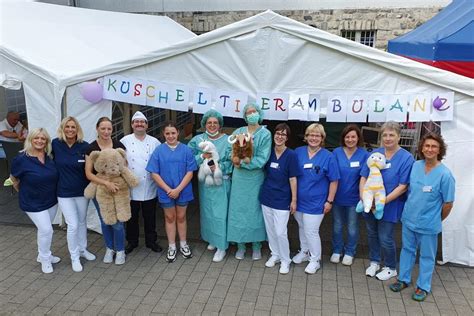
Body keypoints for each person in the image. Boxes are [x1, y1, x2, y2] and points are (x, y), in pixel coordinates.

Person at [389, 134, 455, 301]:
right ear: (421, 148)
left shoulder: (445, 175)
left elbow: (448, 203)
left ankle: (423, 286)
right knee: (407, 250)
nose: (429, 149)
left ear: (440, 150)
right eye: (427, 146)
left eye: (434, 146)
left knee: (427, 256)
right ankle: (403, 279)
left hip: (429, 224)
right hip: (409, 219)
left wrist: (436, 219)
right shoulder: (416, 166)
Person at [360, 121, 415, 281]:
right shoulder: (375, 153)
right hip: (369, 204)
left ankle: (391, 267)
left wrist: (381, 202)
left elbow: (403, 186)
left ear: (399, 136)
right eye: (385, 135)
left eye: (392, 135)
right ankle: (374, 261)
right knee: (371, 234)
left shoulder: (406, 158)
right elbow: (363, 177)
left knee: (385, 237)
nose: (388, 138)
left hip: (390, 205)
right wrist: (365, 199)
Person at [10, 128, 59, 273]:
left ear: (46, 142)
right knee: (46, 230)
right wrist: (23, 191)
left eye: (43, 139)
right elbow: (14, 179)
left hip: (51, 200)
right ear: (30, 139)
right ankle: (45, 259)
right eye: (36, 138)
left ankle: (42, 254)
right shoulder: (21, 159)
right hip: (32, 203)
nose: (39, 141)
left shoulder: (49, 156)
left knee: (44, 230)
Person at [146, 122, 197, 263]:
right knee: (169, 218)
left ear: (178, 133)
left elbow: (190, 172)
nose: (170, 136)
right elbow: (154, 173)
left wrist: (178, 189)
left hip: (183, 190)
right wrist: (169, 190)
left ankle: (183, 244)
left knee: (181, 217)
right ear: (164, 134)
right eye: (167, 133)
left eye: (173, 133)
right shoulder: (159, 151)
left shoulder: (186, 150)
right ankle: (172, 246)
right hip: (165, 191)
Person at [293, 123, 339, 274]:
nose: (314, 138)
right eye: (311, 135)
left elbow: (334, 180)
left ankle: (315, 259)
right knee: (302, 227)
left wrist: (329, 201)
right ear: (306, 137)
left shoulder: (328, 157)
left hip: (316, 202)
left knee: (311, 230)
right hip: (299, 200)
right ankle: (305, 251)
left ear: (322, 138)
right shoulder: (298, 152)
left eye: (317, 135)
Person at [227, 103, 271, 260]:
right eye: (248, 112)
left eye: (254, 111)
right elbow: (229, 151)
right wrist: (234, 159)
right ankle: (240, 244)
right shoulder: (238, 132)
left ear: (259, 113)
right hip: (239, 180)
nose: (252, 114)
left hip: (255, 178)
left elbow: (262, 158)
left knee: (254, 211)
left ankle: (256, 245)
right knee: (238, 210)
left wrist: (244, 163)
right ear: (244, 116)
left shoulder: (265, 134)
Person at [188, 109, 232, 263]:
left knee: (220, 214)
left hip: (221, 182)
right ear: (204, 124)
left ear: (220, 125)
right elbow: (188, 158)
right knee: (208, 213)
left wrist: (220, 168)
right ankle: (212, 239)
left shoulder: (228, 140)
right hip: (205, 184)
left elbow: (232, 161)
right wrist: (201, 156)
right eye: (209, 122)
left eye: (215, 123)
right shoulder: (198, 139)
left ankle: (222, 246)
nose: (212, 125)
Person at [53, 117, 95, 272]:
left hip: (81, 192)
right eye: (67, 127)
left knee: (82, 221)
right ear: (63, 128)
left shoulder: (85, 146)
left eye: (73, 127)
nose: (70, 130)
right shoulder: (55, 144)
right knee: (73, 225)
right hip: (63, 192)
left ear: (78, 129)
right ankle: (74, 257)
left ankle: (83, 250)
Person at [85, 117, 127, 265]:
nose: (106, 131)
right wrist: (105, 183)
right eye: (103, 128)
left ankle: (120, 250)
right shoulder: (91, 148)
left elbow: (124, 167)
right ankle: (110, 248)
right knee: (105, 220)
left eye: (109, 128)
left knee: (118, 222)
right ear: (97, 129)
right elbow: (88, 173)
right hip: (100, 191)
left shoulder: (118, 145)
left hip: (118, 190)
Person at [260, 123, 300, 274]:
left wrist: (294, 200)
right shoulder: (268, 153)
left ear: (287, 138)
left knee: (280, 231)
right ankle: (275, 254)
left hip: (283, 199)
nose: (279, 136)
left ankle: (285, 259)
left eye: (283, 134)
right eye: (277, 133)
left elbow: (293, 179)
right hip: (267, 196)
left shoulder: (291, 155)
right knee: (270, 230)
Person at [120, 111, 162, 255]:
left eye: (142, 122)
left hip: (149, 185)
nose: (139, 124)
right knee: (131, 217)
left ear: (146, 125)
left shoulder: (155, 142)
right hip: (131, 187)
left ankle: (151, 241)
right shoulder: (124, 141)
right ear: (132, 125)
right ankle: (132, 241)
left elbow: (160, 162)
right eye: (136, 122)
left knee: (150, 217)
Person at [330, 124, 368, 266]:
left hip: (354, 199)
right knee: (337, 225)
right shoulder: (336, 152)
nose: (350, 139)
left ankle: (350, 251)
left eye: (353, 136)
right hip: (337, 197)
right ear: (343, 138)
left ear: (358, 138)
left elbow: (366, 177)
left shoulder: (364, 155)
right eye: (347, 137)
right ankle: (337, 250)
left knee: (352, 226)